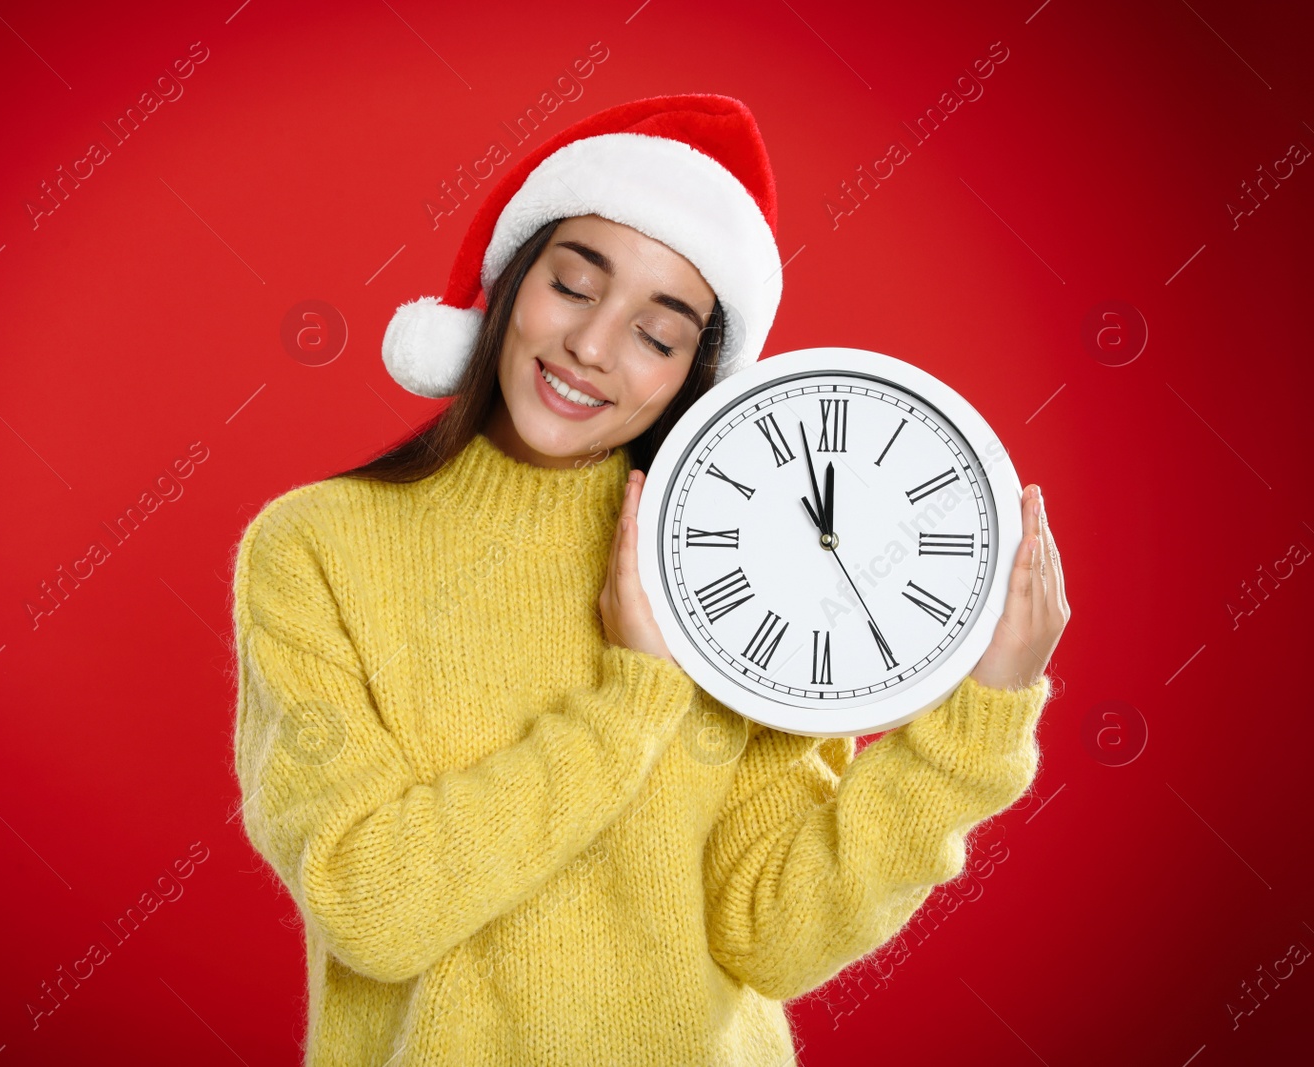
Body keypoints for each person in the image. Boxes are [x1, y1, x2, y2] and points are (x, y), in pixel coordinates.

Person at [230, 94, 1069, 1066]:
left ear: (691, 374)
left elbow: (772, 933)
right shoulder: (316, 549)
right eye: (574, 285)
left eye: (657, 334)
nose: (592, 346)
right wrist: (632, 698)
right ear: (508, 283)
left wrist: (977, 721)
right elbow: (370, 907)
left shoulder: (748, 557)